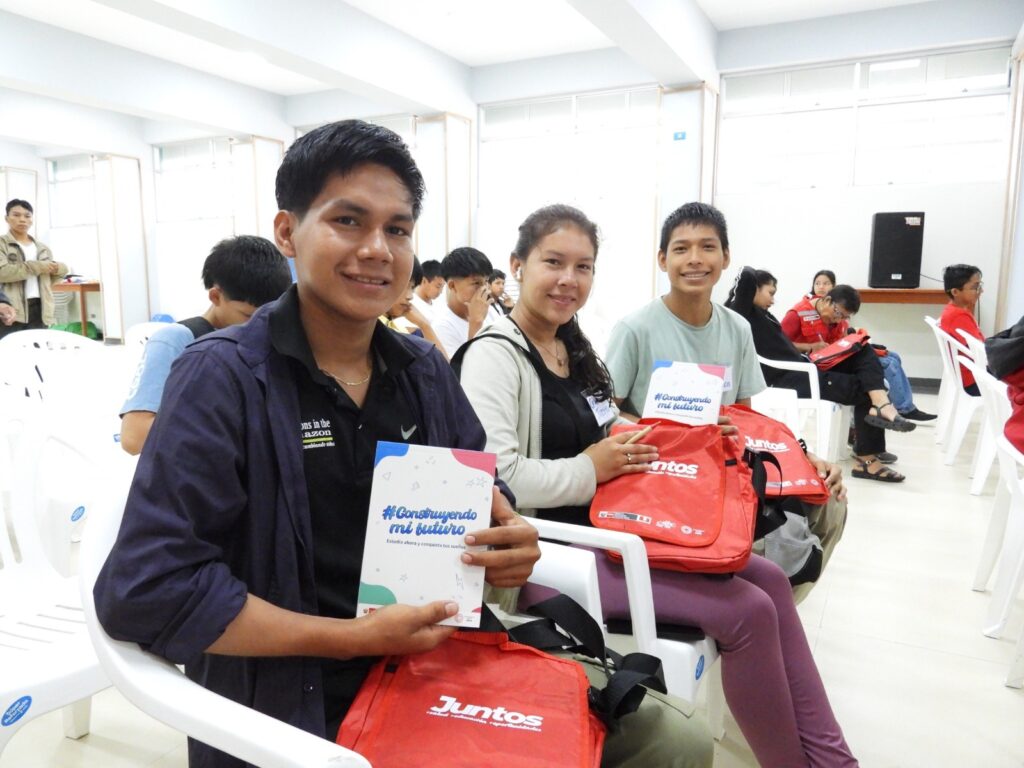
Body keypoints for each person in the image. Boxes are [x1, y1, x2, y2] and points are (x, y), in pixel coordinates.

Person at [93, 120, 541, 768]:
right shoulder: (222, 378)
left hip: (435, 674)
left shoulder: (423, 372)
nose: (377, 249)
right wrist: (347, 639)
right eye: (348, 221)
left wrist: (508, 543)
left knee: (664, 735)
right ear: (287, 233)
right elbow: (145, 588)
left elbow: (478, 498)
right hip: (295, 712)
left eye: (397, 229)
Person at [459, 204, 857, 767]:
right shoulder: (494, 357)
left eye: (584, 266)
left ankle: (833, 760)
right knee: (747, 612)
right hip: (553, 553)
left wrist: (692, 434)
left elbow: (616, 424)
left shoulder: (571, 345)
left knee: (767, 577)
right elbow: (499, 476)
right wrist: (590, 470)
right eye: (553, 262)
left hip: (616, 525)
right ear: (518, 265)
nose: (569, 280)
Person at [729, 268, 914, 482]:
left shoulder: (764, 314)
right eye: (770, 292)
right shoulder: (742, 313)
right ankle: (868, 457)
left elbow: (786, 346)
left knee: (862, 348)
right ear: (753, 290)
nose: (773, 299)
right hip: (794, 378)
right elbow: (745, 275)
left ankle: (880, 402)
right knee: (864, 390)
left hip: (809, 366)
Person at [119, 235, 292, 455]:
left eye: (268, 316)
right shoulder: (175, 340)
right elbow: (134, 437)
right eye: (248, 315)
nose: (259, 325)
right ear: (215, 296)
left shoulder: (272, 338)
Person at [805, 270, 934, 422]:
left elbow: (842, 336)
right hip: (829, 360)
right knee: (887, 364)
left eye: (826, 283)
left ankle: (902, 405)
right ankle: (902, 408)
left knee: (893, 356)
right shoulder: (809, 311)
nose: (821, 287)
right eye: (818, 283)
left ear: (833, 287)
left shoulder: (838, 311)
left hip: (842, 351)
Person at [0, 199, 69, 338]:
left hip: (41, 307)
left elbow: (48, 281)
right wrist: (37, 266)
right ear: (6, 218)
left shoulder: (42, 248)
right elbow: (2, 273)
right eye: (16, 215)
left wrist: (60, 269)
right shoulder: (2, 244)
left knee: (37, 350)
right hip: (10, 307)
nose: (22, 220)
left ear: (32, 220)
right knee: (10, 350)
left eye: (27, 216)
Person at [432, 246, 494, 357]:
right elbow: (461, 372)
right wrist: (476, 323)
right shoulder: (442, 327)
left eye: (486, 281)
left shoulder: (489, 311)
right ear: (452, 286)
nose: (485, 289)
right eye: (476, 283)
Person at [379, 257, 447, 357]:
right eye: (404, 286)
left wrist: (424, 325)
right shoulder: (371, 330)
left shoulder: (411, 332)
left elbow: (443, 367)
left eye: (412, 287)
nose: (410, 296)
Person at [939, 263, 984, 396]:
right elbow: (979, 349)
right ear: (955, 292)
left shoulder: (952, 311)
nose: (980, 291)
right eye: (975, 287)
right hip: (973, 380)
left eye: (980, 286)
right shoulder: (958, 316)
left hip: (967, 376)